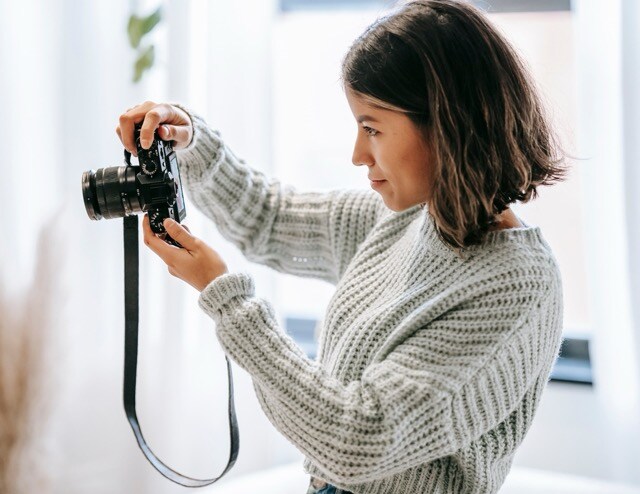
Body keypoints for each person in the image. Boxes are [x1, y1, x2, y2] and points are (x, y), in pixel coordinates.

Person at [116, 1, 568, 492]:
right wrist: (189, 140)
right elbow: (269, 218)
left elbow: (356, 441)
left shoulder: (515, 286)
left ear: (447, 123)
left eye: (372, 128)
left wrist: (225, 298)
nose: (358, 154)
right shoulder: (409, 219)